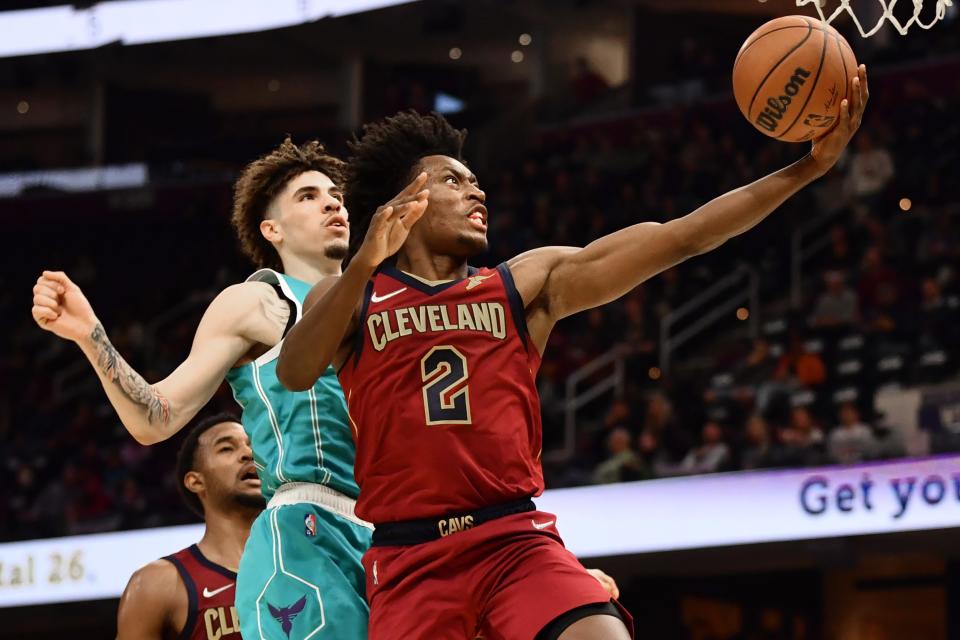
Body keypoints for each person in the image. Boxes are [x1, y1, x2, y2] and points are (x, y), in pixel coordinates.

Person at [278, 67, 869, 639]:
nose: (476, 190)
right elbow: (295, 370)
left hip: (513, 537)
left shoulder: (525, 283)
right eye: (453, 180)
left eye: (475, 180)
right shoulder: (356, 294)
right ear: (403, 202)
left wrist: (807, 169)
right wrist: (362, 262)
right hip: (410, 556)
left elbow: (683, 235)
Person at [30, 139, 410, 639]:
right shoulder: (257, 301)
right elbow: (155, 417)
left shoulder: (388, 302)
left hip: (396, 533)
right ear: (271, 229)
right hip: (311, 529)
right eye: (308, 196)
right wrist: (90, 334)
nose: (332, 202)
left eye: (335, 194)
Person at [117, 414, 262, 640]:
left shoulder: (304, 564)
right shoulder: (159, 583)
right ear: (196, 481)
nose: (248, 454)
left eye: (253, 446)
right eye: (226, 448)